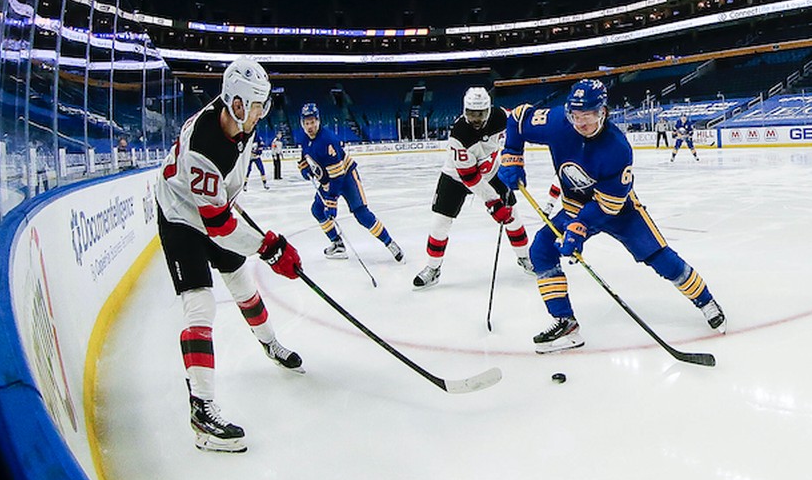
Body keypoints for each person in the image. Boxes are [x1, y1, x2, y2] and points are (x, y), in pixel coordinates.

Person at [495, 78, 725, 352]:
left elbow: (608, 207)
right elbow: (518, 118)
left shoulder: (617, 148)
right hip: (573, 206)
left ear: (603, 111)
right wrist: (511, 156)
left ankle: (706, 301)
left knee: (659, 257)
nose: (580, 123)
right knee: (542, 250)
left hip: (620, 209)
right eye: (575, 115)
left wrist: (578, 228)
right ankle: (566, 324)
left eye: (588, 116)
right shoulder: (558, 122)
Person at [153, 56, 304, 452]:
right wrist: (269, 247)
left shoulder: (239, 122)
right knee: (200, 305)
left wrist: (229, 201)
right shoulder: (204, 145)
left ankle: (269, 343)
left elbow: (222, 200)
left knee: (242, 284)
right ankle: (202, 411)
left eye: (262, 104)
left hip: (210, 207)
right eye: (255, 105)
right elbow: (218, 226)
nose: (261, 113)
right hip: (181, 216)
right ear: (235, 103)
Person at [412, 86, 534, 289]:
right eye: (471, 114)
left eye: (480, 114)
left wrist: (514, 155)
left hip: (492, 171)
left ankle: (524, 257)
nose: (476, 120)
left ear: (489, 109)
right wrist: (494, 203)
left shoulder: (500, 116)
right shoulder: (459, 136)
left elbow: (519, 121)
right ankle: (433, 268)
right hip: (456, 178)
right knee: (439, 224)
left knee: (513, 217)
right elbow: (470, 178)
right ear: (464, 110)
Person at [297, 102, 403, 263]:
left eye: (312, 122)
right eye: (306, 123)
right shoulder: (305, 138)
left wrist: (332, 202)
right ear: (302, 124)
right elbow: (305, 156)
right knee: (317, 210)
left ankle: (390, 243)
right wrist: (304, 167)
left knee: (361, 214)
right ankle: (337, 244)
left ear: (318, 121)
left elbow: (338, 175)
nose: (310, 126)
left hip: (346, 178)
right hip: (328, 181)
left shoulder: (328, 140)